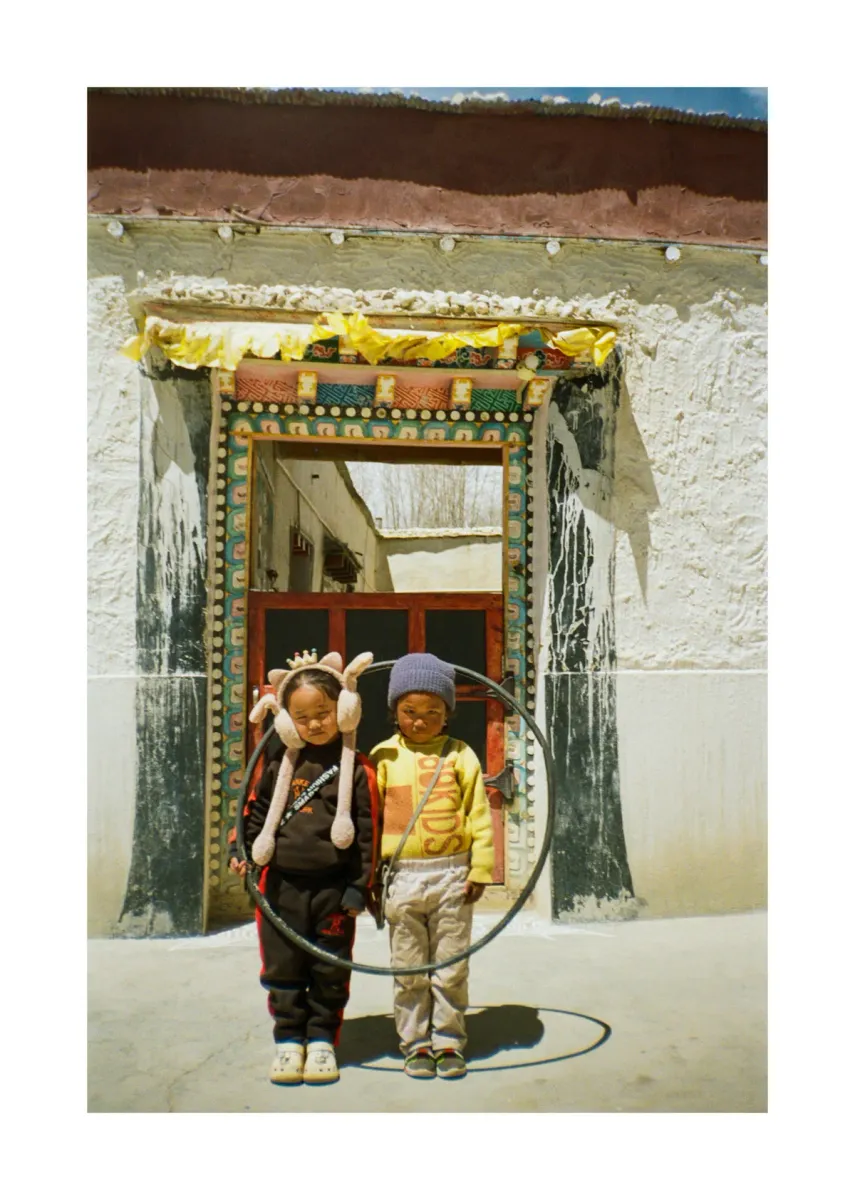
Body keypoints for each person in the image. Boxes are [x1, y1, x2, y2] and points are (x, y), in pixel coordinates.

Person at [228, 650, 378, 1085]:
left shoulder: (358, 768)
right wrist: (242, 855)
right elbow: (254, 814)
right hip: (280, 888)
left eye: (323, 713)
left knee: (330, 967)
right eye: (302, 715)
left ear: (343, 710)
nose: (314, 723)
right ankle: (289, 1039)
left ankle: (322, 1039)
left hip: (333, 890)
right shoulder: (277, 761)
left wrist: (357, 889)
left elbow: (366, 834)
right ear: (287, 718)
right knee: (282, 966)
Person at [371, 653, 494, 1080]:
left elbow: (478, 813)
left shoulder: (462, 756)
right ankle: (414, 1042)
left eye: (432, 712)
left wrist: (480, 869)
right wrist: (370, 877)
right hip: (403, 877)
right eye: (409, 712)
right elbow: (370, 820)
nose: (420, 721)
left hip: (453, 876)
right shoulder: (383, 756)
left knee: (451, 965)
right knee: (408, 968)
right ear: (394, 712)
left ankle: (447, 1039)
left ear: (447, 714)